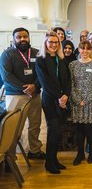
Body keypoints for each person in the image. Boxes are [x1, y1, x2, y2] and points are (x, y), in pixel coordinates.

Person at [0, 27, 45, 160]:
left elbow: (42, 73)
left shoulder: (37, 53)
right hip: (15, 95)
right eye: (19, 37)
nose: (23, 39)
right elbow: (6, 76)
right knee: (14, 127)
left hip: (34, 95)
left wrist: (35, 86)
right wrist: (24, 88)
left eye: (25, 36)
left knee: (35, 125)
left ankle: (35, 150)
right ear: (13, 39)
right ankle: (10, 156)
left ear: (29, 37)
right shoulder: (7, 54)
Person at [36, 31, 71, 174]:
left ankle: (54, 160)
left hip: (62, 100)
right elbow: (46, 83)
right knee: (54, 131)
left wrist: (66, 96)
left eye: (56, 42)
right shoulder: (41, 60)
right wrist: (59, 97)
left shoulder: (61, 59)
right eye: (50, 42)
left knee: (59, 131)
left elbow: (69, 80)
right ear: (45, 44)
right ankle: (49, 163)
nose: (54, 45)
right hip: (50, 101)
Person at [69, 40, 92, 165]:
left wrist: (87, 99)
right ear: (78, 49)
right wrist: (78, 99)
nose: (85, 51)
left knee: (91, 130)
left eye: (87, 49)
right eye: (82, 48)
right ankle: (80, 154)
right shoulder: (72, 65)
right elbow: (70, 84)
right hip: (77, 101)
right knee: (80, 130)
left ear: (91, 50)